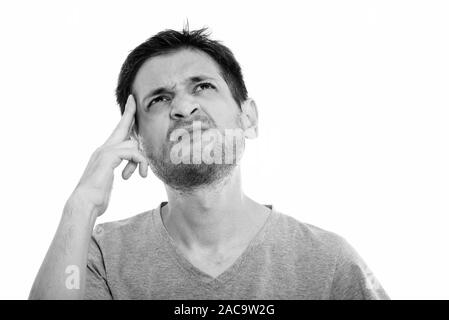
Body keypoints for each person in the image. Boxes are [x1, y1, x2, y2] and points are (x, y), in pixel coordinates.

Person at [29, 26, 390, 300]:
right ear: (135, 139)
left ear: (248, 118)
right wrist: (81, 206)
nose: (184, 108)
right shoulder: (98, 258)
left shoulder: (329, 264)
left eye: (202, 86)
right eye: (159, 99)